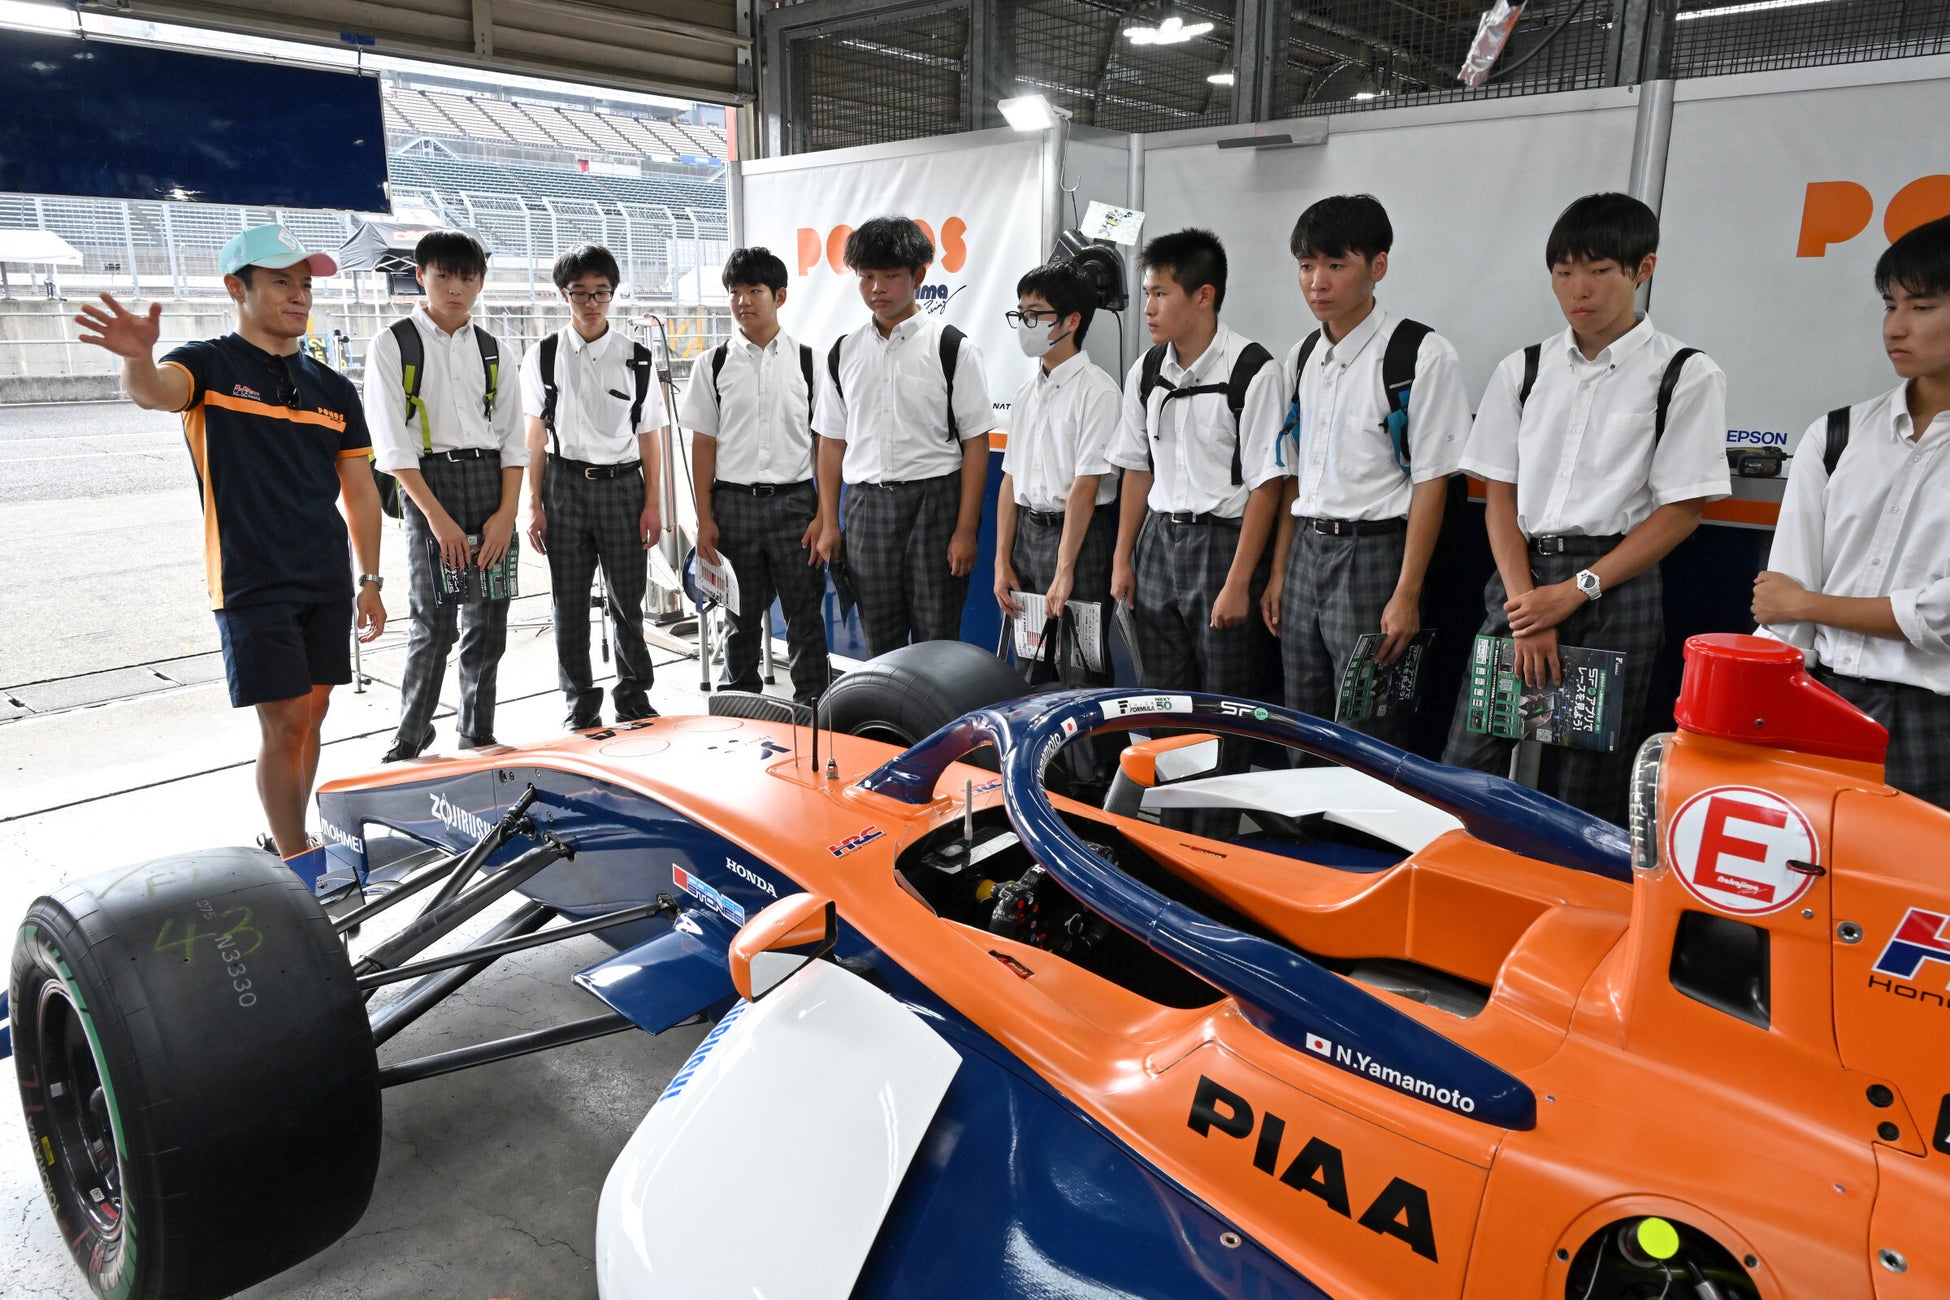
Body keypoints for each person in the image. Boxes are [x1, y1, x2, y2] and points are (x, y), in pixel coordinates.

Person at [73, 224, 387, 884]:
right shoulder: (209, 364)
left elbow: (359, 491)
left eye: (305, 284)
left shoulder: (334, 389)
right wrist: (136, 357)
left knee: (315, 713)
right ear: (235, 289)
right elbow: (155, 391)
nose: (298, 296)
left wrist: (370, 578)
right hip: (250, 578)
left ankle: (287, 837)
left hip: (326, 576)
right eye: (281, 282)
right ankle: (300, 860)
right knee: (287, 720)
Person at [1440, 192, 1730, 823]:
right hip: (1519, 579)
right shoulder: (1523, 369)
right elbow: (1499, 495)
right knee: (1467, 764)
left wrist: (1575, 592)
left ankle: (1575, 909)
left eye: (1600, 271)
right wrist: (1529, 608)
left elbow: (1682, 512)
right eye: (1564, 271)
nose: (1580, 289)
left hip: (1613, 588)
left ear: (1642, 269)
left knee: (1586, 783)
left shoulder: (1684, 372)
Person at [1754, 213, 1950, 810]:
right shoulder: (1837, 434)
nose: (1896, 327)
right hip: (1821, 698)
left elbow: (1941, 618)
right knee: (1792, 886)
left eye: (1921, 307)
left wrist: (1810, 605)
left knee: (1917, 896)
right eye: (1890, 306)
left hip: (1932, 718)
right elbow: (1780, 603)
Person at [1258, 195, 1470, 744]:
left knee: (1369, 729)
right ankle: (1300, 829)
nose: (1316, 282)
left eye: (1335, 264)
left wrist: (1406, 593)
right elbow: (1295, 478)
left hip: (1375, 555)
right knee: (1299, 722)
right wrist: (1280, 570)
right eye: (1306, 266)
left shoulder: (1421, 354)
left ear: (1378, 266)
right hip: (1308, 550)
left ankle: (1359, 834)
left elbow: (1432, 482)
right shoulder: (1301, 356)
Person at [364, 230, 525, 761]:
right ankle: (412, 733)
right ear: (420, 276)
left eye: (467, 277)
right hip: (428, 488)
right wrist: (435, 517)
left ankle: (477, 731)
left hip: (489, 484)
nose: (456, 288)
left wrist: (506, 514)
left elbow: (512, 442)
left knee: (490, 619)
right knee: (433, 623)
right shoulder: (393, 343)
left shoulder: (495, 350)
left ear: (480, 281)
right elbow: (391, 446)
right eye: (444, 275)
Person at [1107, 228, 1285, 701]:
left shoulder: (1252, 370)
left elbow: (1268, 486)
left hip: (1223, 546)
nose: (1148, 308)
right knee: (1162, 699)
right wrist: (1123, 558)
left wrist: (1239, 582)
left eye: (1161, 294)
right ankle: (1169, 779)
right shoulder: (1145, 371)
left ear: (1204, 296)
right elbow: (1136, 467)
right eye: (1147, 294)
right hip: (1158, 542)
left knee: (1227, 704)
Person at [812, 216, 994, 656]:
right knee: (881, 642)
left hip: (935, 505)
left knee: (937, 641)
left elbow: (975, 443)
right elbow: (832, 442)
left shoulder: (952, 348)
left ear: (919, 276)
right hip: (866, 509)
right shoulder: (843, 352)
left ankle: (937, 725)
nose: (878, 288)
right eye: (867, 277)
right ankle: (889, 727)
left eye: (891, 276)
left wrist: (966, 530)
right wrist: (829, 520)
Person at [521, 243, 667, 730]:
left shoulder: (637, 360)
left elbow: (650, 439)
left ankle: (633, 696)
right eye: (580, 293)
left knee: (628, 600)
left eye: (600, 292)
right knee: (569, 603)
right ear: (564, 295)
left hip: (624, 488)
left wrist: (654, 504)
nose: (591, 303)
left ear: (613, 295)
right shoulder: (542, 356)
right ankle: (579, 703)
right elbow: (534, 439)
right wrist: (533, 505)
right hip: (563, 487)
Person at [679, 246, 833, 707]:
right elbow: (703, 444)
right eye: (735, 292)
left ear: (780, 296)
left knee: (806, 616)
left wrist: (826, 515)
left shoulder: (811, 361)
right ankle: (738, 706)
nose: (743, 300)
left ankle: (815, 708)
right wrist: (703, 518)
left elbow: (826, 444)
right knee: (737, 616)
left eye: (755, 291)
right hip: (733, 505)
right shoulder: (713, 364)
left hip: (795, 506)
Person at [993, 261, 1121, 682]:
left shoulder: (1098, 392)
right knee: (1031, 669)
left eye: (1036, 314)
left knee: (1082, 673)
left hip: (1079, 540)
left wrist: (1064, 571)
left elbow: (1085, 489)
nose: (1024, 323)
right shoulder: (1027, 393)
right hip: (1029, 537)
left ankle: (1091, 753)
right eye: (1020, 313)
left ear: (1072, 321)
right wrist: (1001, 561)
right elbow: (1010, 480)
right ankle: (1044, 753)